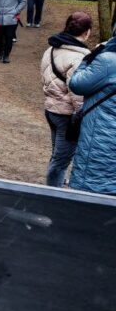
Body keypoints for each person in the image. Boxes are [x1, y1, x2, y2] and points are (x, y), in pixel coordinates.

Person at [40, 12, 92, 188]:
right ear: (87, 32)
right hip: (66, 115)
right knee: (61, 160)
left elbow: (45, 78)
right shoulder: (79, 58)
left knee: (57, 154)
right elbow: (77, 91)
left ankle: (56, 182)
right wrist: (81, 114)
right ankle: (54, 193)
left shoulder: (51, 48)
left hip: (51, 109)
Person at [68, 35, 116, 194]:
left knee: (90, 195)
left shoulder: (108, 61)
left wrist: (88, 59)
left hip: (102, 140)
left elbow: (77, 84)